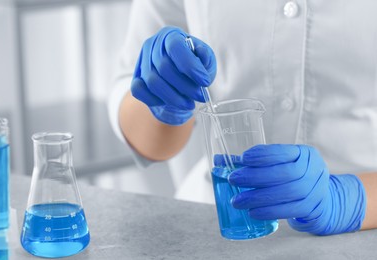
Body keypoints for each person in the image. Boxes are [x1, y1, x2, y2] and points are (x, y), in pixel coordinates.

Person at [108, 0, 377, 236]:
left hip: (362, 230)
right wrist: (163, 101)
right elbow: (149, 143)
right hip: (213, 224)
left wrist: (349, 199)